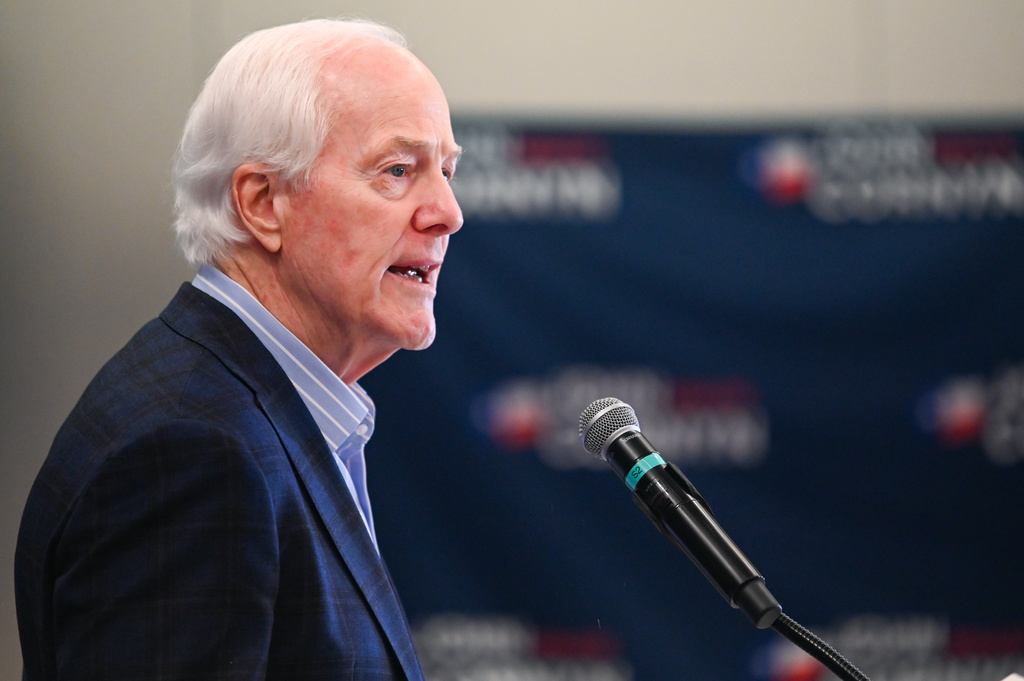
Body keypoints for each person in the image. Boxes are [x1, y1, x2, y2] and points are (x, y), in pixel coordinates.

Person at [15, 17, 463, 681]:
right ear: (262, 203)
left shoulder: (252, 412)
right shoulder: (193, 450)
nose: (448, 211)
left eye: (448, 171)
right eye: (398, 170)